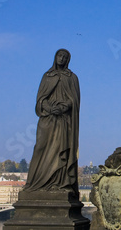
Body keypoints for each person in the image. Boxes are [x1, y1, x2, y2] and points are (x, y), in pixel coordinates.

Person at [24, 49, 81, 194]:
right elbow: (40, 100)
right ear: (55, 57)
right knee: (40, 148)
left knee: (62, 149)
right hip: (47, 119)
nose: (61, 58)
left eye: (64, 57)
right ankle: (34, 184)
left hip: (64, 120)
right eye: (59, 56)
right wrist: (48, 107)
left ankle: (60, 183)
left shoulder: (72, 78)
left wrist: (64, 107)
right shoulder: (47, 76)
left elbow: (75, 101)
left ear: (68, 60)